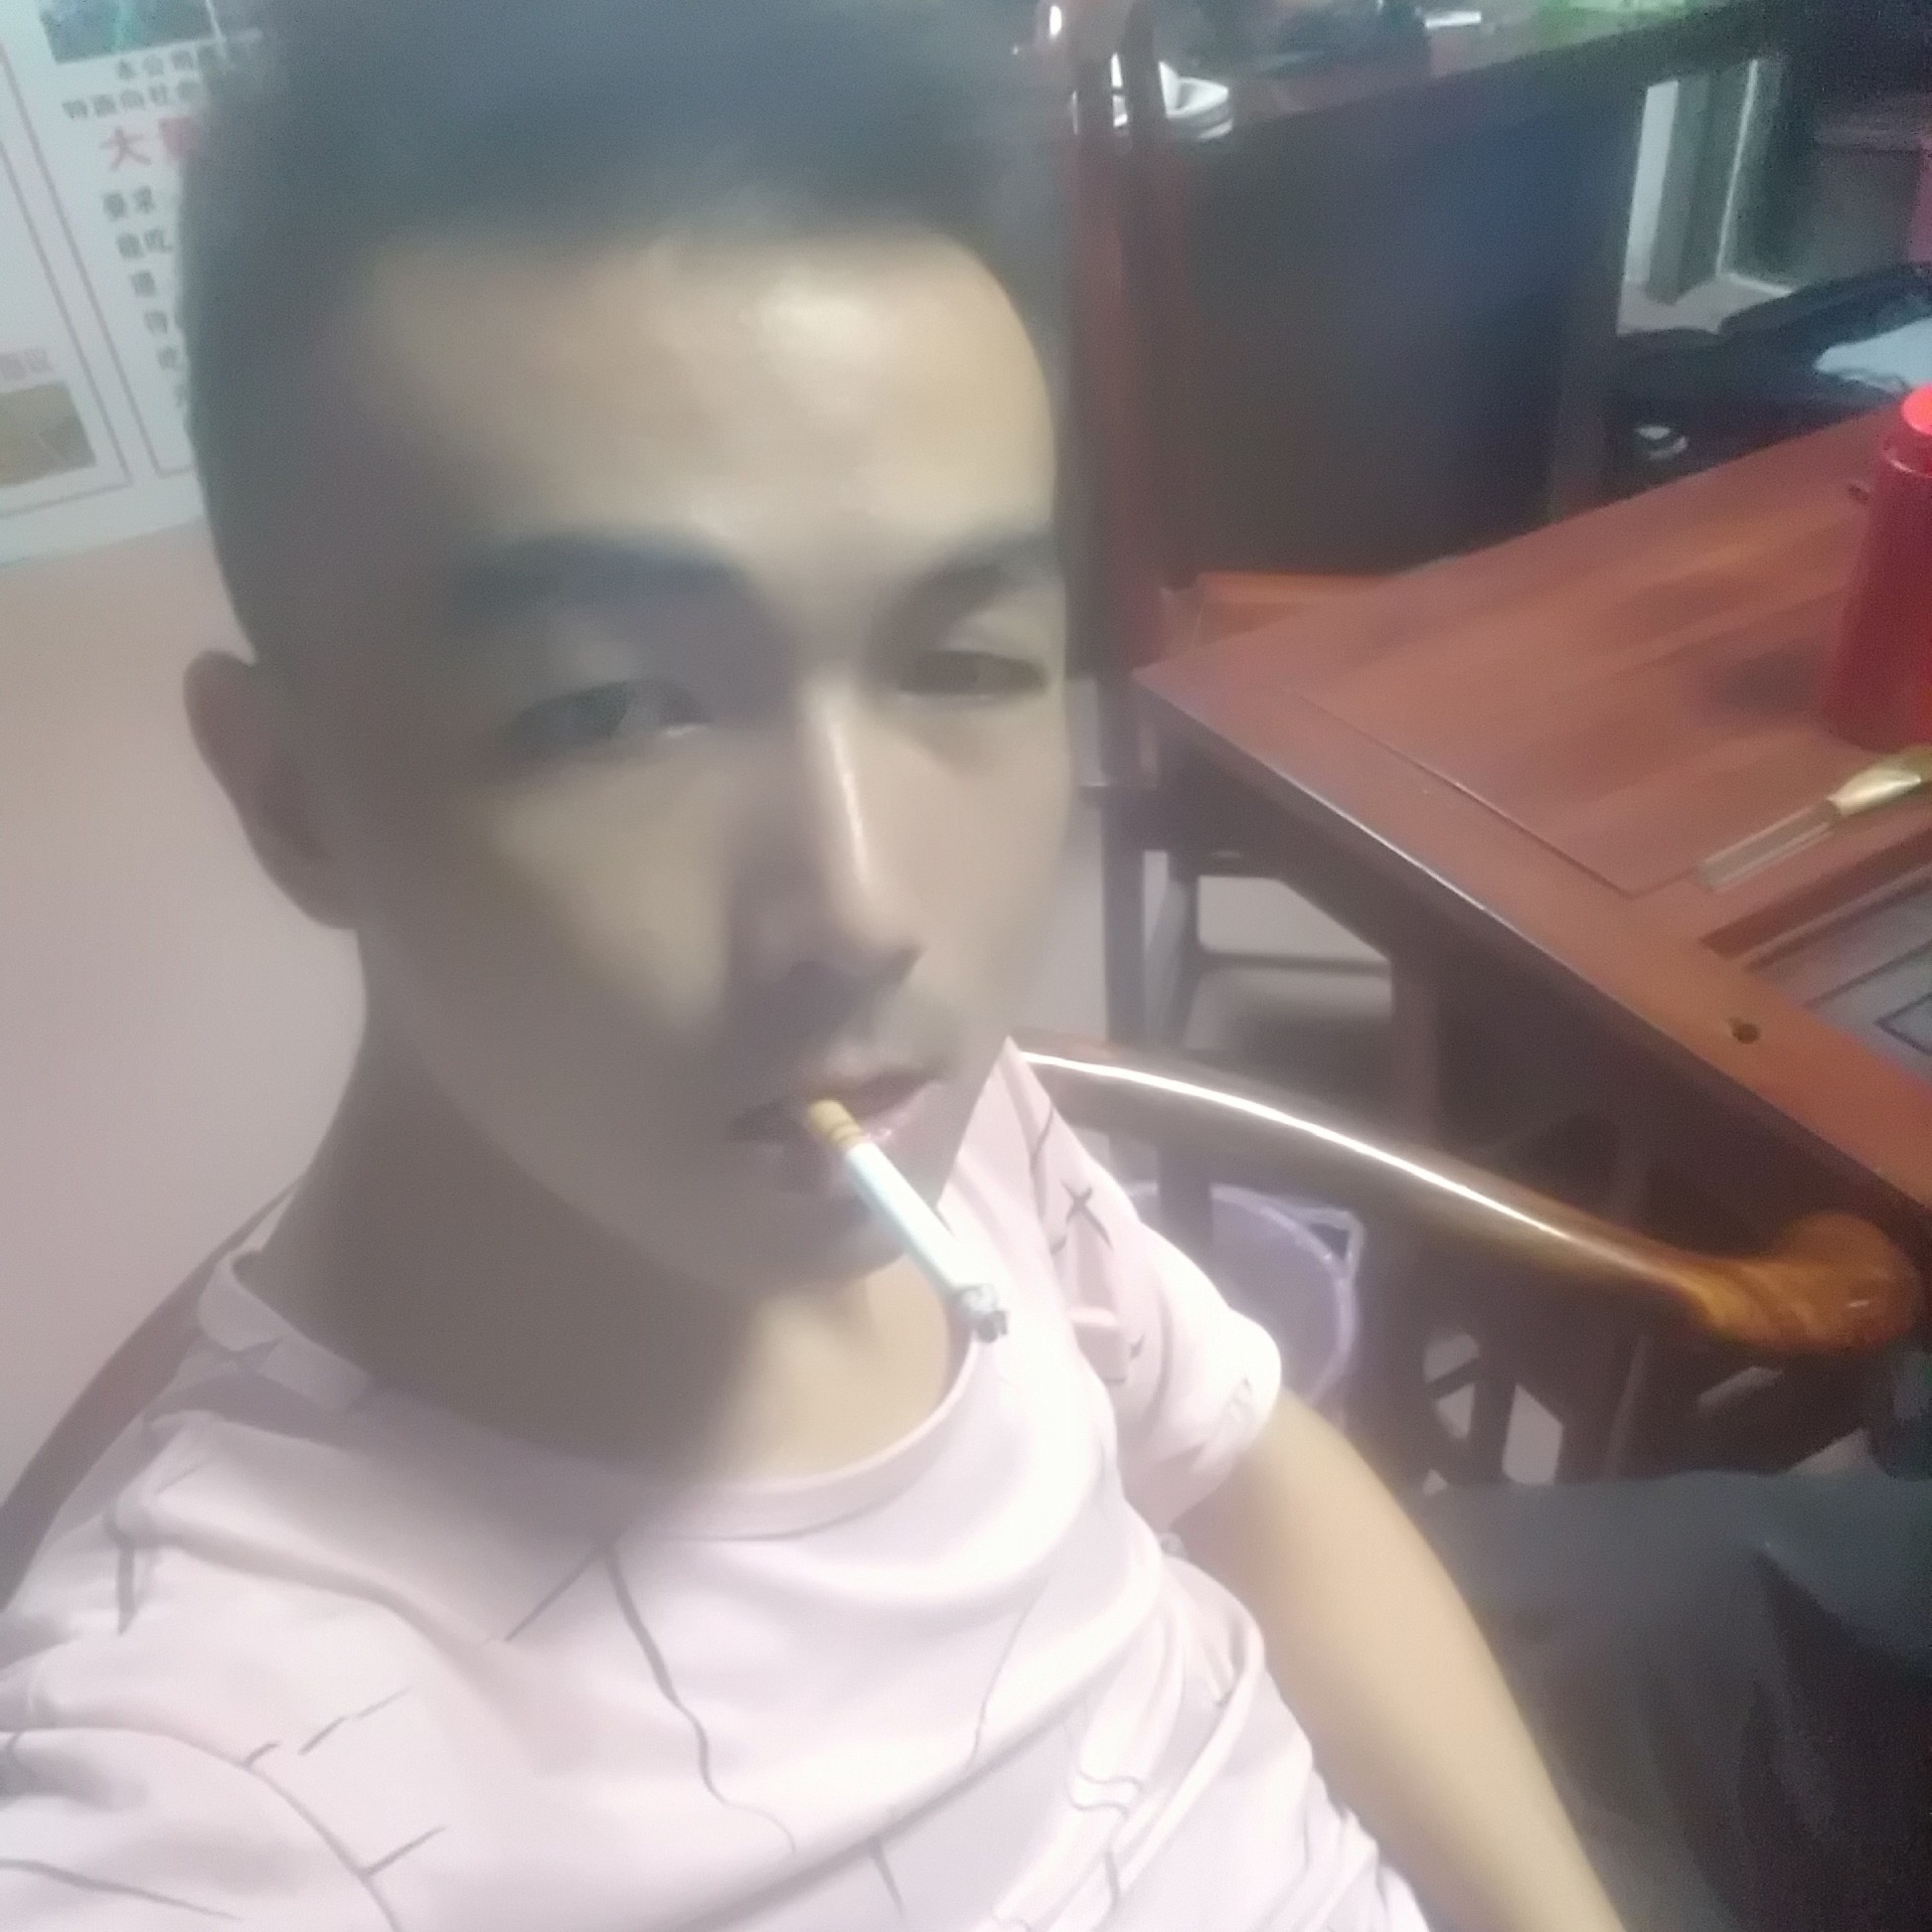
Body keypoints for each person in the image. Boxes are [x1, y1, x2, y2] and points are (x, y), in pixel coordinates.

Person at [0, 2, 1925, 1928]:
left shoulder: (942, 1126)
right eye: (606, 708)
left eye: (962, 661)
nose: (865, 909)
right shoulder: (206, 1796)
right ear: (295, 798)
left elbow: (1243, 1461)